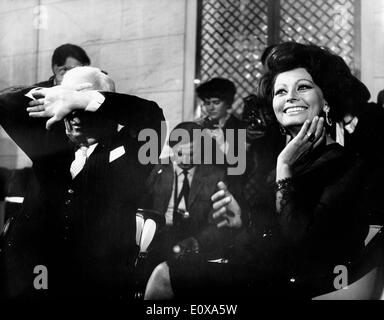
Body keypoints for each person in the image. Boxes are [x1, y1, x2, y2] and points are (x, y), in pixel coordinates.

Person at [144, 42, 369, 300]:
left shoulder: (349, 164)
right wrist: (240, 220)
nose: (290, 97)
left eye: (303, 87)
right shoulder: (280, 161)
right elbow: (268, 237)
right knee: (162, 271)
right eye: (280, 91)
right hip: (267, 273)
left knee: (165, 277)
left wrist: (284, 167)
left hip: (309, 284)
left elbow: (301, 244)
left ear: (326, 99)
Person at [0, 66, 165, 298]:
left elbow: (153, 117)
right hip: (38, 275)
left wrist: (84, 99)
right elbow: (5, 102)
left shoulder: (130, 151)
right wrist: (57, 91)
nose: (73, 116)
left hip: (97, 282)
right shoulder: (48, 144)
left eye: (80, 108)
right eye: (68, 107)